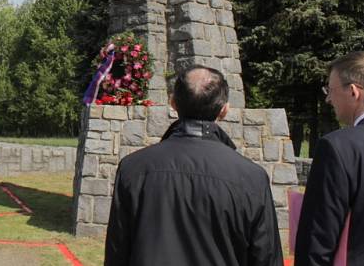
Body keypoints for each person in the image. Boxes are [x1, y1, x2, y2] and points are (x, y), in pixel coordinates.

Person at [104, 65, 282, 266]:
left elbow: (117, 253)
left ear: (173, 103)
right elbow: (266, 258)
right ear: (224, 110)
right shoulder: (251, 178)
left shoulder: (133, 169)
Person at [295, 51, 364, 265]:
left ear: (354, 91)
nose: (328, 98)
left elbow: (318, 238)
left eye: (330, 89)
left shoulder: (338, 147)